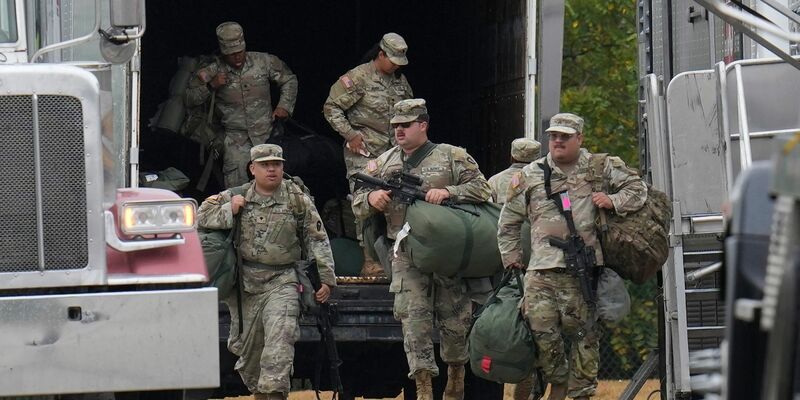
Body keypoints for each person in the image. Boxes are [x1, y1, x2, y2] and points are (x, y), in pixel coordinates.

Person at [497, 113, 647, 400]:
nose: (557, 141)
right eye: (553, 136)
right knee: (541, 333)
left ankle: (581, 393)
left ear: (580, 138)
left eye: (565, 136)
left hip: (584, 274)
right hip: (540, 272)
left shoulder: (601, 167)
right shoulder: (531, 174)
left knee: (585, 337)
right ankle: (557, 381)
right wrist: (511, 257)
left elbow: (638, 189)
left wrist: (613, 201)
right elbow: (508, 221)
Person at [352, 99, 492, 400]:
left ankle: (456, 375)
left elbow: (483, 190)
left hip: (445, 254)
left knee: (454, 322)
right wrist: (372, 198)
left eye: (406, 125)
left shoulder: (452, 156)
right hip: (405, 253)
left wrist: (449, 192)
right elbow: (357, 202)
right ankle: (424, 387)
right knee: (413, 321)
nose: (399, 131)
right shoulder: (383, 163)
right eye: (395, 126)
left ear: (423, 125)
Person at [197, 144, 336, 400]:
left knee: (280, 342)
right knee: (249, 353)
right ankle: (262, 393)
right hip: (246, 285)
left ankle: (274, 394)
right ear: (252, 169)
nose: (272, 169)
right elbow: (199, 216)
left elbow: (317, 238)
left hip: (283, 281)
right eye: (265, 165)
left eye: (277, 164)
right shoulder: (237, 195)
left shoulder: (297, 199)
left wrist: (326, 279)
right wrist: (230, 210)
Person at [323, 32, 414, 276]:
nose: (396, 65)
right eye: (392, 60)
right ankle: (369, 261)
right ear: (381, 54)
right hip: (365, 153)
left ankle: (395, 259)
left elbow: (411, 114)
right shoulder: (358, 77)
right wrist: (350, 135)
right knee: (365, 204)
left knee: (396, 204)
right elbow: (331, 107)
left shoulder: (399, 82)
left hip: (394, 154)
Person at [187, 22, 298, 188]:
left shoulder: (263, 61)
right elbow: (189, 99)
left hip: (267, 136)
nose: (237, 57)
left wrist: (284, 106)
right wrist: (211, 86)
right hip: (235, 142)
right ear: (223, 53)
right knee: (237, 195)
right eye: (231, 54)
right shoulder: (212, 70)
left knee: (275, 190)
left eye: (240, 52)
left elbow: (289, 79)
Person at [488, 137, 541, 204]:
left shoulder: (495, 181)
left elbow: (488, 209)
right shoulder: (546, 180)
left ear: (512, 158)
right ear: (538, 159)